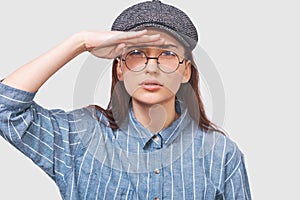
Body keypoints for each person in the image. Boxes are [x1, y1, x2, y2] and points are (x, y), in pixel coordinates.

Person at [0, 0, 251, 199]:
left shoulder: (221, 154)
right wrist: (80, 42)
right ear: (120, 69)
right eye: (136, 54)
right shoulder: (82, 136)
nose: (151, 68)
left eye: (166, 54)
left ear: (186, 71)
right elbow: (5, 108)